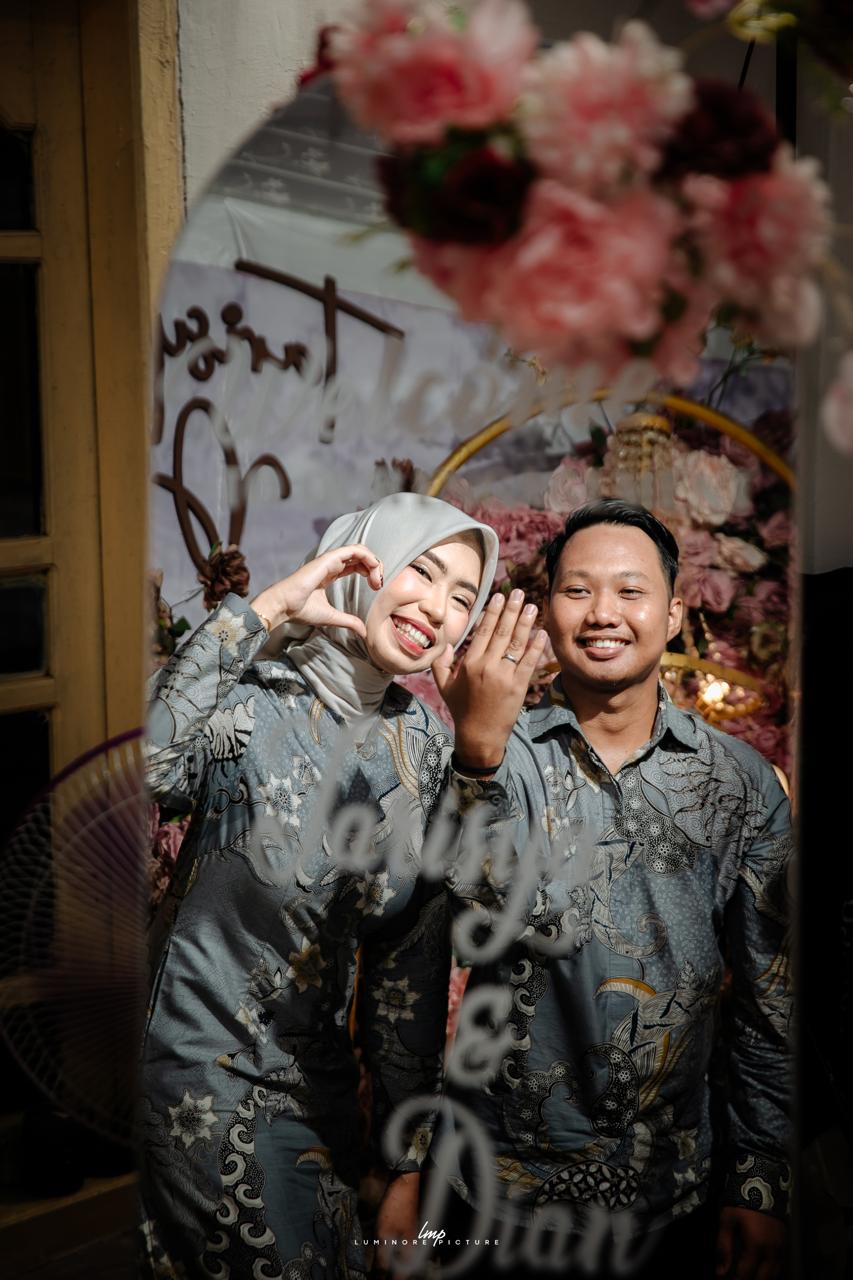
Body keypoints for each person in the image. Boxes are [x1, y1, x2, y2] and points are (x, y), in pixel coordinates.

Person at [139, 492, 499, 1280]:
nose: (437, 607)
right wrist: (267, 608)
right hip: (203, 1079)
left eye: (461, 597)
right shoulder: (250, 701)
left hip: (324, 1096)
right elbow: (147, 764)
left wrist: (403, 1162)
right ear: (361, 564)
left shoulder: (424, 751)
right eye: (422, 571)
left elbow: (407, 974)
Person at [429, 500, 792, 1280]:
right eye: (577, 590)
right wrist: (478, 755)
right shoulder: (491, 753)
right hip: (494, 1185)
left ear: (673, 615)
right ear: (547, 610)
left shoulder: (739, 784)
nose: (602, 613)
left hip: (670, 1187)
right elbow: (462, 919)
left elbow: (770, 999)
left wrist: (760, 1179)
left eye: (629, 591)